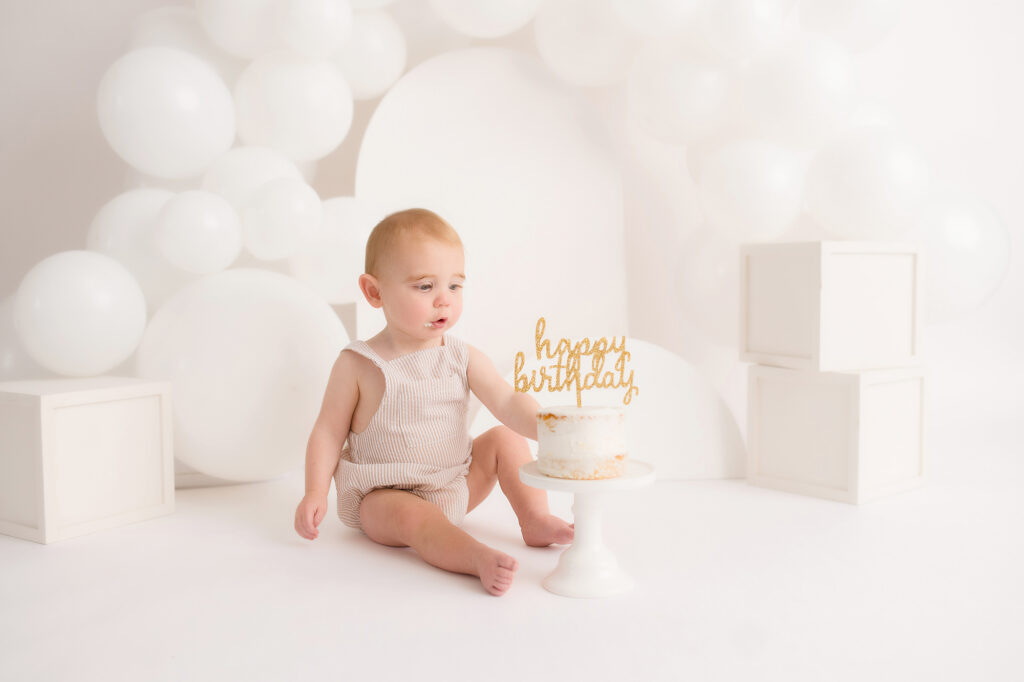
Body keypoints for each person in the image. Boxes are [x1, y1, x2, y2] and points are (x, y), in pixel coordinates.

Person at [294, 208, 573, 596]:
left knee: (505, 439)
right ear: (375, 292)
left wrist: (552, 428)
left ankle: (535, 518)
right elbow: (327, 432)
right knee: (415, 517)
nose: (444, 300)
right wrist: (314, 491)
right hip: (384, 498)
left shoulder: (463, 356)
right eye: (425, 287)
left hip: (455, 483)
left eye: (455, 286)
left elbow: (507, 400)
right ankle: (475, 557)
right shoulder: (358, 364)